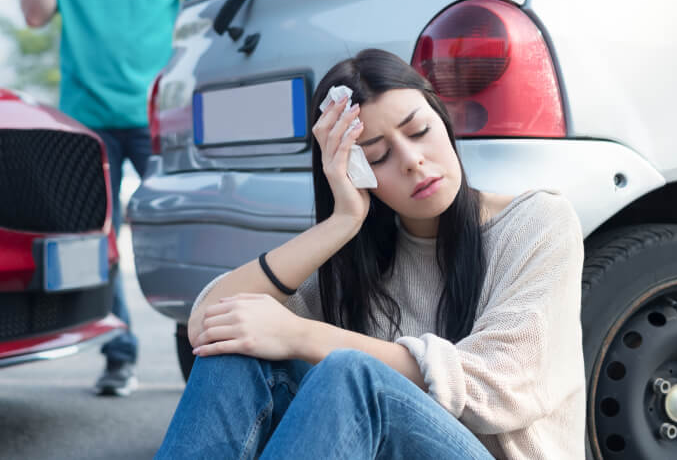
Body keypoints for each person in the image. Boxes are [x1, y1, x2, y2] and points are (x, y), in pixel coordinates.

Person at [155, 49, 586, 459]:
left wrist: (301, 336)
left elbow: (500, 384)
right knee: (234, 351)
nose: (413, 161)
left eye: (419, 132)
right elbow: (210, 323)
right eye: (378, 157)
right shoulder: (359, 260)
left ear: (442, 121)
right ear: (355, 173)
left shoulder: (539, 222)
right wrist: (340, 223)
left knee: (351, 375)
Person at [19, 0, 203, 396]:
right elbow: (34, 13)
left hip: (155, 114)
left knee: (173, 235)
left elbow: (205, 7)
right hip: (85, 118)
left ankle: (200, 348)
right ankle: (119, 353)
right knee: (94, 242)